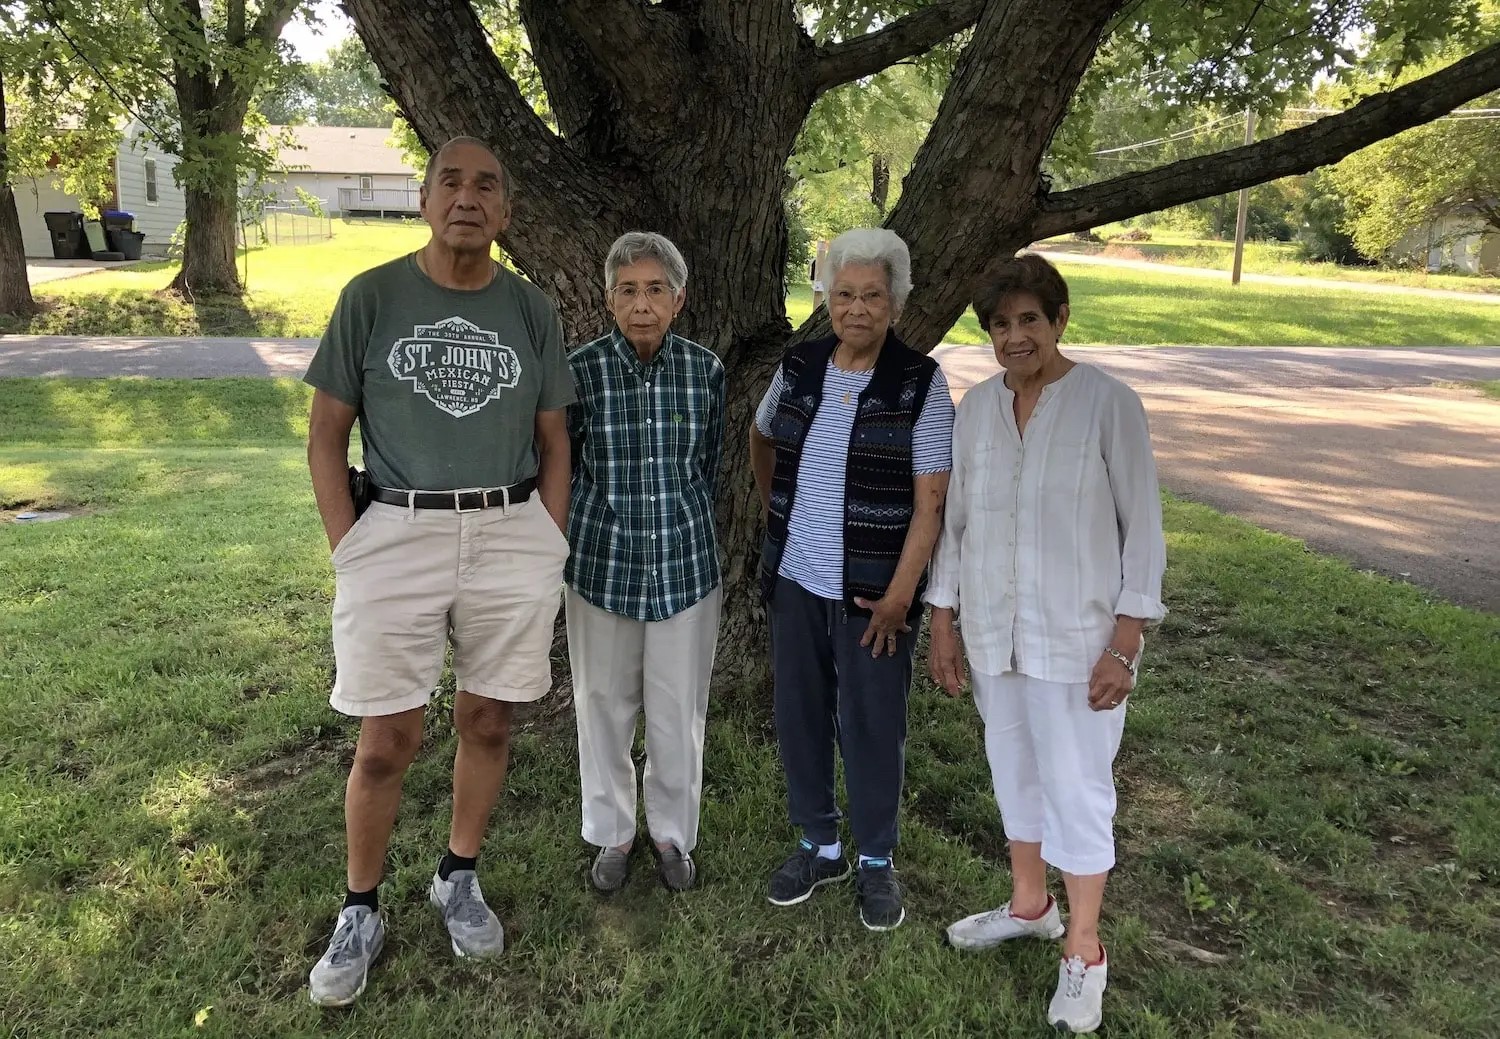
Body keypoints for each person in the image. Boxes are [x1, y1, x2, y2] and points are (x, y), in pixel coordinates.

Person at [302, 136, 574, 1007]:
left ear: (505, 211)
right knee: (386, 739)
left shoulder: (530, 310)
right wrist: (351, 544)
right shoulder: (372, 297)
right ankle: (360, 905)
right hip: (396, 529)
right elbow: (325, 434)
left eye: (486, 185)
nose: (467, 197)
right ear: (424, 200)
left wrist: (547, 540)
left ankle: (458, 873)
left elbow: (555, 440)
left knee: (488, 719)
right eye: (450, 182)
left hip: (508, 529)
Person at [925, 254, 1166, 1035]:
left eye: (1030, 318)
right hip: (997, 636)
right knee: (1014, 772)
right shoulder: (976, 410)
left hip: (1079, 641)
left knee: (1079, 788)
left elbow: (1145, 532)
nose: (1015, 335)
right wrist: (943, 616)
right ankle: (1031, 906)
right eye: (1000, 323)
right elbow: (956, 524)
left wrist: (1126, 639)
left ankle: (1086, 950)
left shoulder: (1107, 405)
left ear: (1060, 320)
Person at [749, 227, 954, 931]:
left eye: (872, 295)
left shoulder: (918, 381)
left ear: (894, 303)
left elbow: (932, 500)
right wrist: (780, 518)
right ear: (826, 300)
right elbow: (763, 434)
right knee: (800, 714)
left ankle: (875, 859)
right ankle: (819, 842)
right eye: (844, 295)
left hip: (876, 594)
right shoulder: (801, 365)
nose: (857, 308)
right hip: (798, 580)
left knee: (872, 725)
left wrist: (902, 596)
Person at [565, 231, 725, 894]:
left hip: (684, 565)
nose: (641, 303)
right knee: (601, 702)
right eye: (628, 290)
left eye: (655, 289)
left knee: (677, 707)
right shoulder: (580, 370)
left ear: (678, 298)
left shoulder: (704, 370)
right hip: (602, 564)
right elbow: (565, 464)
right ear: (608, 299)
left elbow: (709, 462)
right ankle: (612, 831)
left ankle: (670, 834)